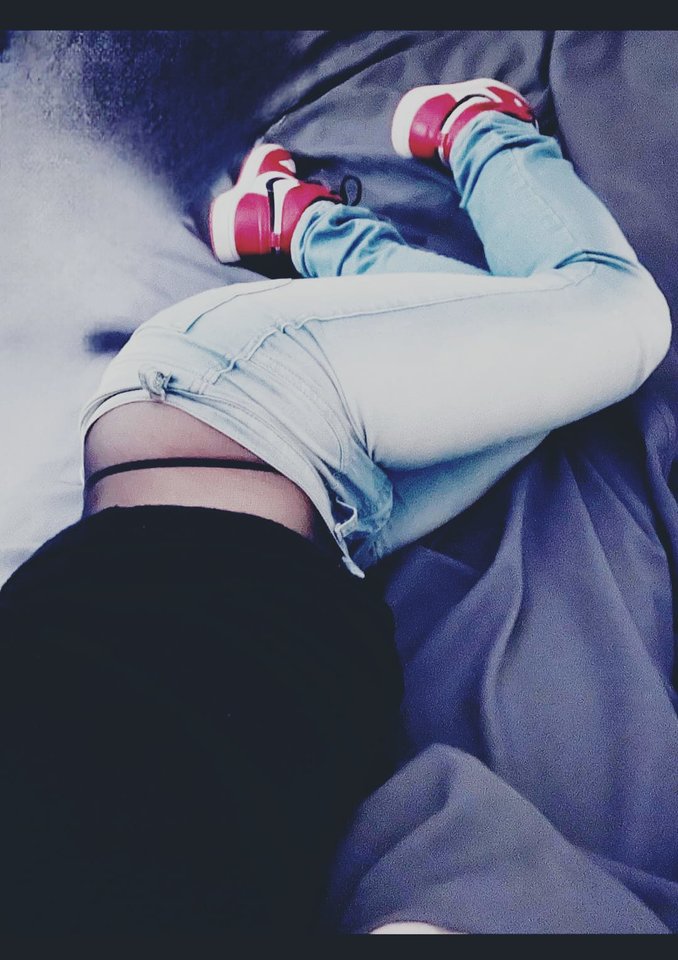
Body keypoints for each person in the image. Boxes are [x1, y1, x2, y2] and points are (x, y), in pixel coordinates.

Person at [0, 78, 670, 935]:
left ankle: (479, 127)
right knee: (544, 395)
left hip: (234, 407)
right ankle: (301, 225)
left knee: (620, 318)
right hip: (340, 525)